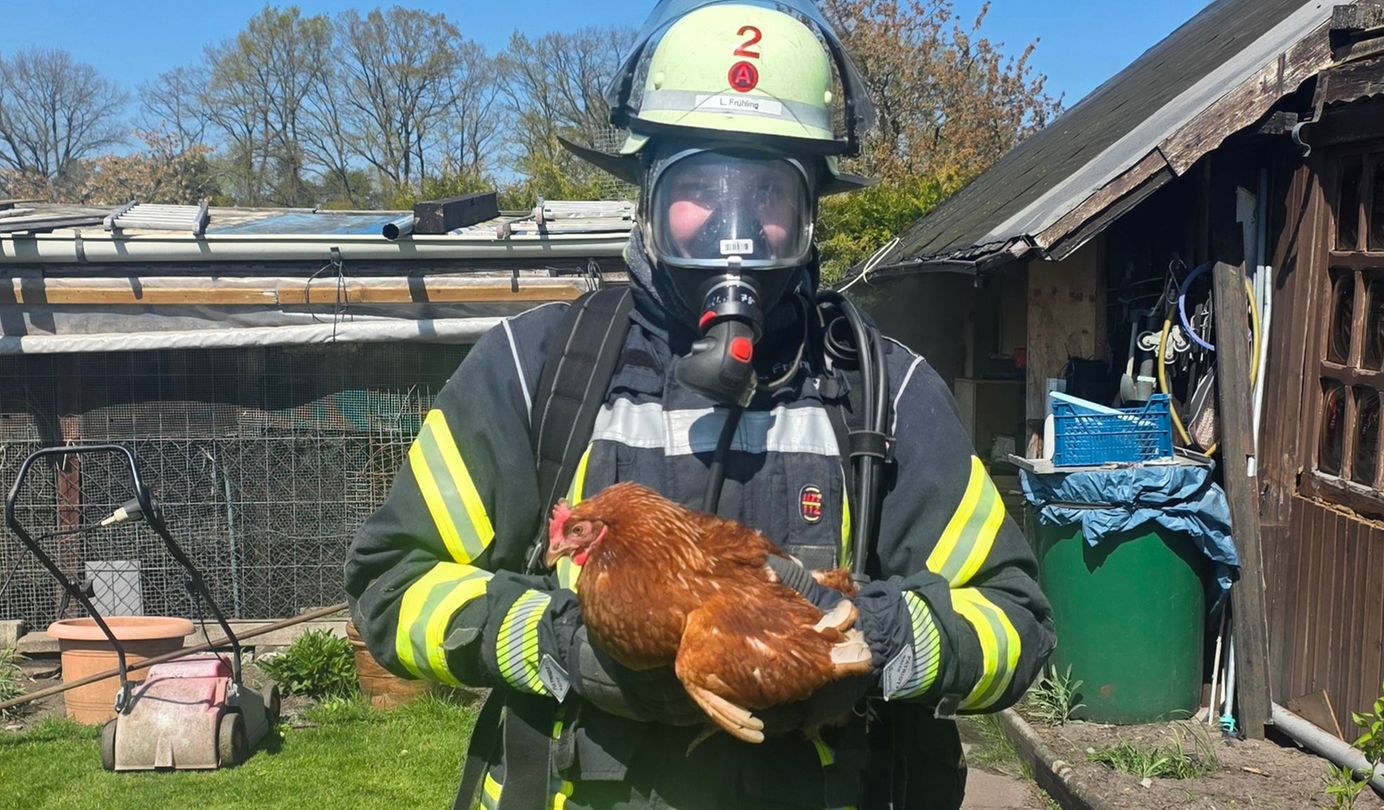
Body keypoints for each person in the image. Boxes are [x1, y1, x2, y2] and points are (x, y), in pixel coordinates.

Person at [345, 1, 1054, 807]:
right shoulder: (533, 369)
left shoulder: (887, 392)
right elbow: (392, 583)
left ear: (810, 212)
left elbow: (1015, 622)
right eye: (699, 189)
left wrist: (876, 639)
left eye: (767, 193)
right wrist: (559, 642)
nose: (733, 223)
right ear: (647, 195)